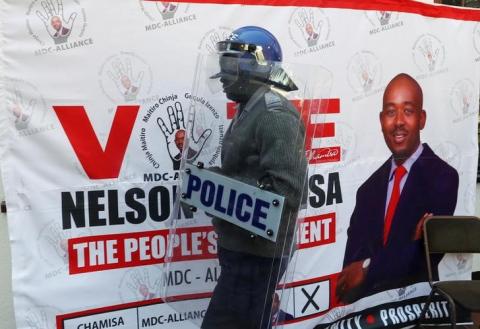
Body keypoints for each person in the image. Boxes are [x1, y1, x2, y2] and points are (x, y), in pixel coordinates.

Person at [201, 26, 307, 329]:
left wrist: (221, 188)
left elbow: (289, 192)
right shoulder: (251, 108)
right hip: (243, 249)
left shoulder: (274, 115)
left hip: (257, 255)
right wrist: (214, 185)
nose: (222, 75)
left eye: (230, 65)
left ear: (257, 67)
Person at [336, 73, 459, 304]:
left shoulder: (443, 177)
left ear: (422, 119)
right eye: (391, 112)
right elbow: (348, 275)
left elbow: (424, 259)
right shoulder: (368, 190)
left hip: (417, 310)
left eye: (408, 111)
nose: (399, 121)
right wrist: (408, 244)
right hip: (367, 311)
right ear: (381, 120)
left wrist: (366, 268)